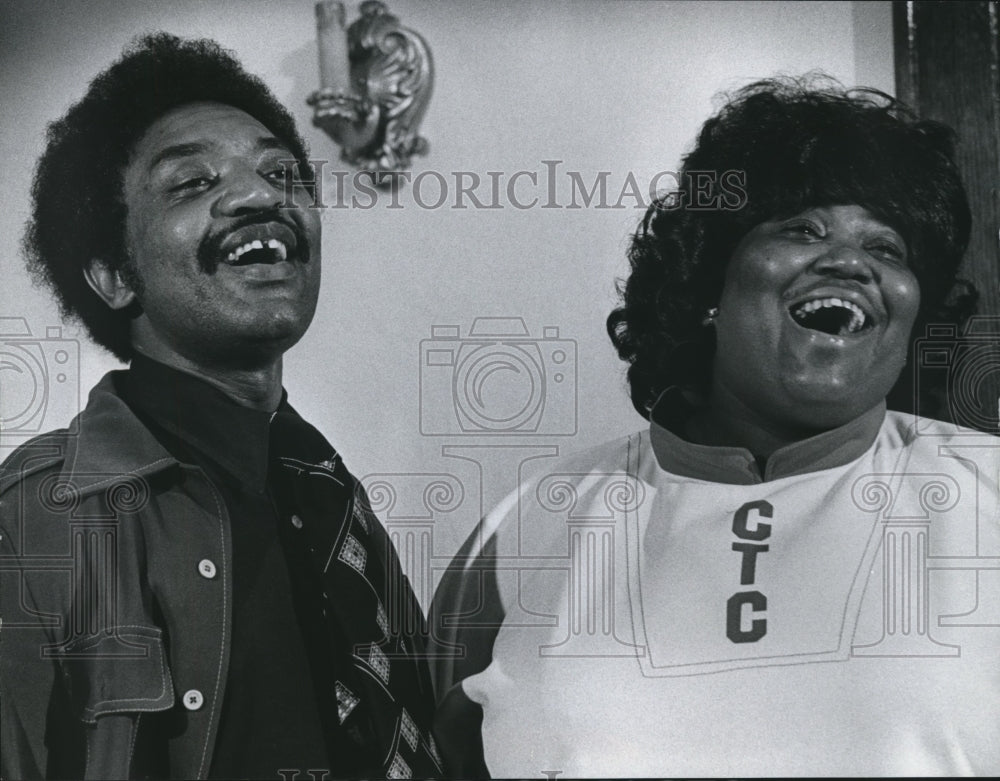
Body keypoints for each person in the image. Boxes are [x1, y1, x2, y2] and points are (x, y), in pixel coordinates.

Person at [429, 77, 1000, 777]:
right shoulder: (525, 526)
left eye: (888, 248)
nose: (851, 262)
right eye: (803, 229)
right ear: (709, 284)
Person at [0, 33, 443, 780]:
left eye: (280, 172)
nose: (261, 195)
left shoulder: (333, 497)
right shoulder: (36, 518)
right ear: (114, 275)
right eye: (191, 182)